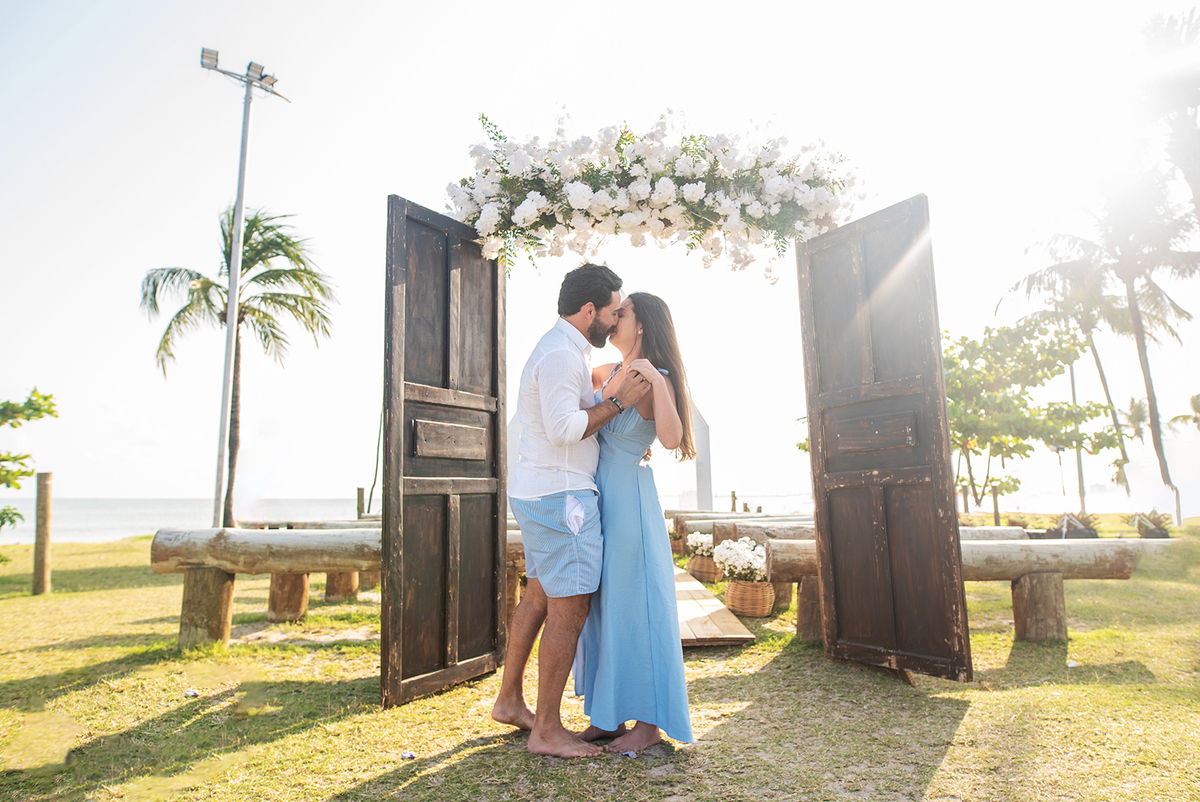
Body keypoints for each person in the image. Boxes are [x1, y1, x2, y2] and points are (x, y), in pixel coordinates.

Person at [491, 263, 653, 758]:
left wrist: (610, 406)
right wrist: (622, 403)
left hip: (542, 491)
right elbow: (565, 429)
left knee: (539, 597)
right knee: (571, 606)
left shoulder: (563, 349)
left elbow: (573, 415)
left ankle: (509, 700)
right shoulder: (562, 356)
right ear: (590, 311)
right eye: (612, 311)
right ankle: (546, 730)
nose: (614, 318)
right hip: (563, 500)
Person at [574, 291, 695, 752]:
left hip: (630, 503)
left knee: (637, 609)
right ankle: (607, 715)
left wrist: (660, 385)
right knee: (605, 608)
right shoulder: (605, 373)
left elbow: (670, 439)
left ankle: (647, 725)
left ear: (640, 324)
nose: (612, 319)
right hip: (598, 499)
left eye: (620, 314)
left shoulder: (651, 378)